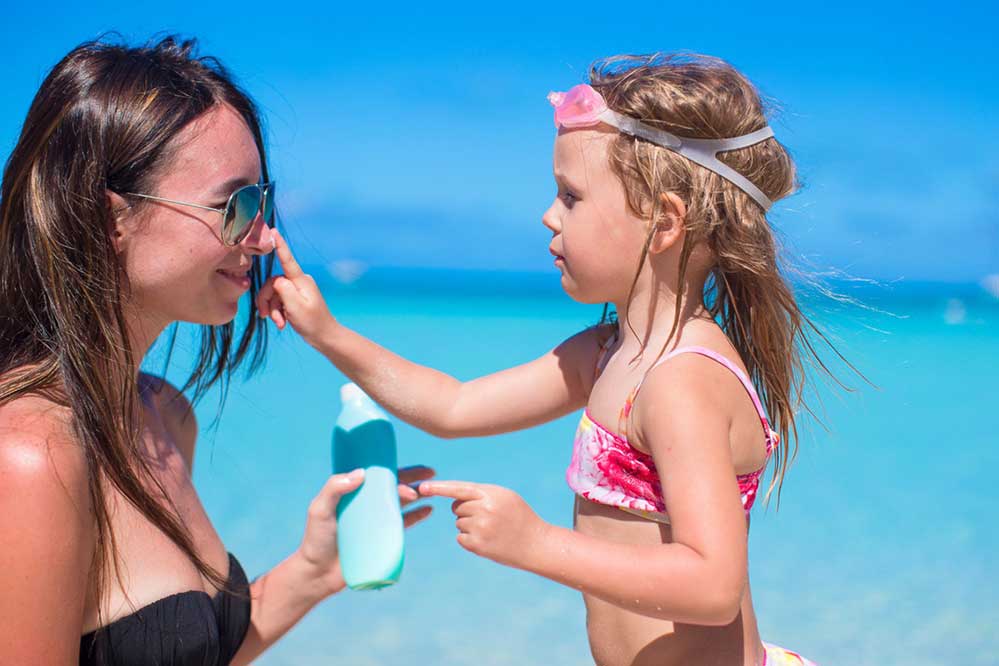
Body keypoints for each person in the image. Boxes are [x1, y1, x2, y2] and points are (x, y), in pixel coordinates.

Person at [258, 53, 839, 665]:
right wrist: (327, 333)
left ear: (664, 222)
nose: (547, 215)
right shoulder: (607, 352)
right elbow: (455, 406)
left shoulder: (680, 381)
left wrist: (534, 544)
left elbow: (712, 586)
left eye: (571, 196)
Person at [0, 36, 433, 665]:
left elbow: (190, 651)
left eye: (264, 200)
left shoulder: (164, 414)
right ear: (109, 220)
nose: (263, 237)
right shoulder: (30, 456)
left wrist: (314, 571)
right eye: (236, 205)